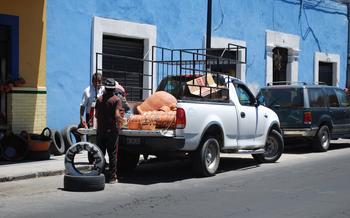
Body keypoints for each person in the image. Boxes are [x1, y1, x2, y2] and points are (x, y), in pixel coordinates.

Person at [95, 78, 123, 183]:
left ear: (105, 88)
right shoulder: (116, 100)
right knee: (112, 153)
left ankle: (100, 174)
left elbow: (97, 115)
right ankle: (112, 177)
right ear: (114, 89)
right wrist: (121, 121)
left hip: (101, 131)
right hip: (111, 131)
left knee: (100, 153)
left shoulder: (99, 99)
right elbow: (117, 115)